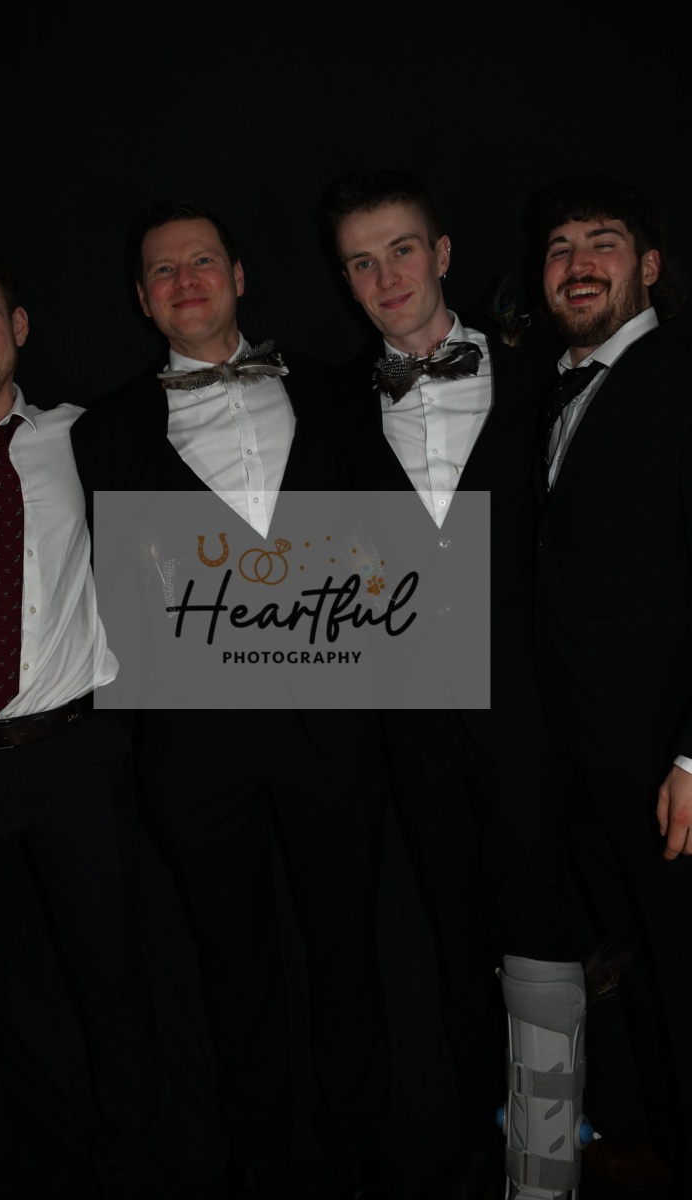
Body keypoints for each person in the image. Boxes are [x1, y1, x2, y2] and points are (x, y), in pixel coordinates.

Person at [69, 200, 394, 1200]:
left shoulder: (334, 390)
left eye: (202, 261)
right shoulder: (103, 431)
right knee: (232, 966)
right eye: (163, 271)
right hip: (194, 750)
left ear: (239, 276)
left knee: (346, 950)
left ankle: (360, 1150)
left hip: (333, 731)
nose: (186, 281)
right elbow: (76, 581)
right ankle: (259, 1157)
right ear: (142, 299)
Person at [325, 170, 587, 1200]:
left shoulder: (539, 374)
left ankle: (548, 1159)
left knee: (542, 923)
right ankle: (486, 1136)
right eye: (360, 262)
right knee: (449, 928)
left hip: (529, 707)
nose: (385, 276)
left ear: (438, 254)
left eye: (400, 249)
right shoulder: (331, 406)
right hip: (410, 719)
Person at [0, 243, 166, 1200]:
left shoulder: (85, 438)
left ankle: (131, 1176)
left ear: (18, 327)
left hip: (78, 758)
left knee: (115, 990)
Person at [532, 173, 692, 1194]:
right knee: (643, 974)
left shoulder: (681, 374)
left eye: (602, 242)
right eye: (559, 247)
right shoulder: (551, 389)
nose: (578, 263)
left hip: (668, 763)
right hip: (588, 761)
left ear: (649, 266)